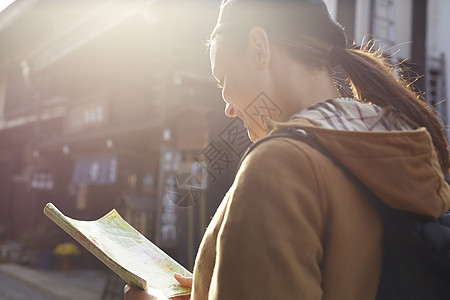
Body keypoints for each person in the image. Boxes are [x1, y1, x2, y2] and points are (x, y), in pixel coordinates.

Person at [126, 0, 450, 299]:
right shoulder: (390, 144)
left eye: (222, 77)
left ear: (258, 48)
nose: (226, 106)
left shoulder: (278, 166)